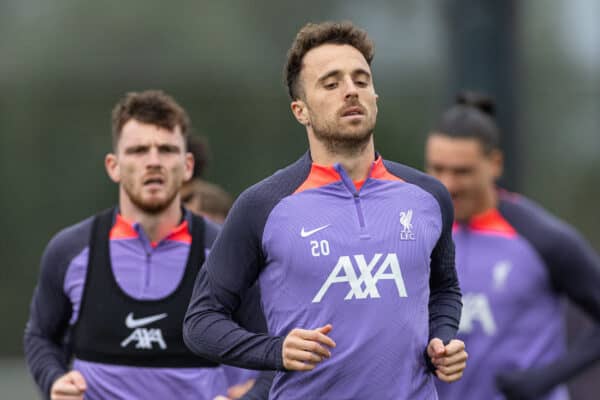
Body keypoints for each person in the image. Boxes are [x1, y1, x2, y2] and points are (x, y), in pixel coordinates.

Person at [183, 21, 467, 399]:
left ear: (375, 95)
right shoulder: (262, 205)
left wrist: (442, 341)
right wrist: (275, 350)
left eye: (361, 80)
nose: (350, 91)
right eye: (331, 84)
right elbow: (201, 322)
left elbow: (445, 289)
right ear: (300, 110)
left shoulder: (428, 196)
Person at [23, 90, 257, 400]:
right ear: (113, 166)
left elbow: (273, 351)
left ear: (187, 165)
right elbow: (40, 336)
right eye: (138, 150)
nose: (153, 162)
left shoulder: (226, 253)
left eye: (166, 149)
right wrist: (53, 380)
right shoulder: (70, 250)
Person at [425, 91, 600, 399]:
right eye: (438, 169)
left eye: (462, 171)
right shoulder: (417, 234)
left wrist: (545, 379)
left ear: (494, 163)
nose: (448, 183)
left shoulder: (543, 238)